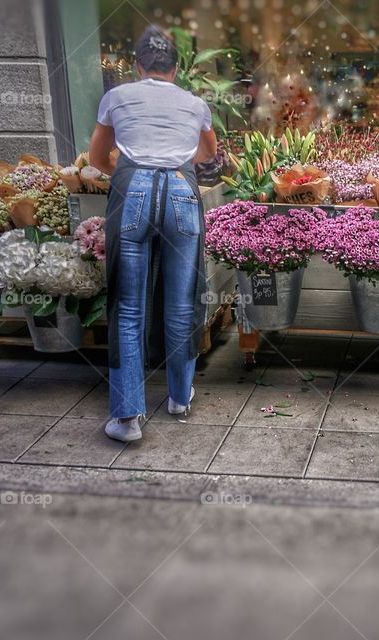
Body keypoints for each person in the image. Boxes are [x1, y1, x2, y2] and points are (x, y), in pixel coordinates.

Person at [89, 26, 218, 442]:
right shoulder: (196, 104)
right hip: (182, 192)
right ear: (177, 68)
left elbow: (96, 158)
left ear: (137, 66)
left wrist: (127, 177)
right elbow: (207, 154)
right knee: (181, 304)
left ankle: (127, 419)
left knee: (129, 307)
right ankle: (180, 398)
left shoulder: (116, 97)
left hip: (134, 193)